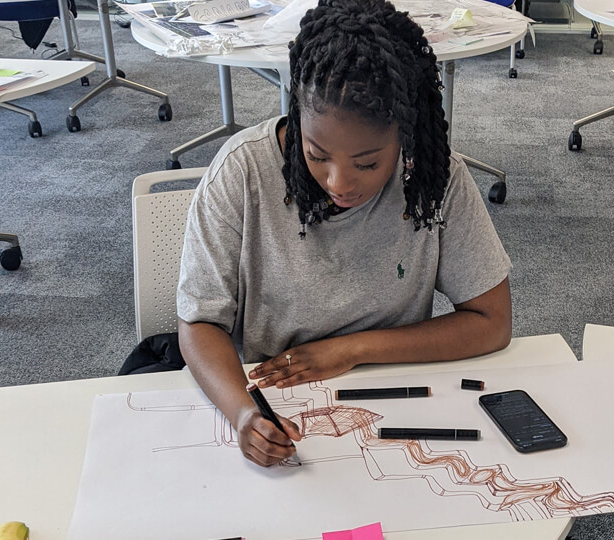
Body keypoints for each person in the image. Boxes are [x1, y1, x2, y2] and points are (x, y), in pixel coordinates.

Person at [176, 0, 513, 467]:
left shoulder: (434, 179)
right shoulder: (242, 173)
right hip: (276, 397)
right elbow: (199, 321)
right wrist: (242, 413)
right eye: (316, 154)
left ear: (406, 135)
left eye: (368, 163)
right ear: (296, 117)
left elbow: (492, 321)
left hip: (395, 392)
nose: (338, 183)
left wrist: (350, 350)